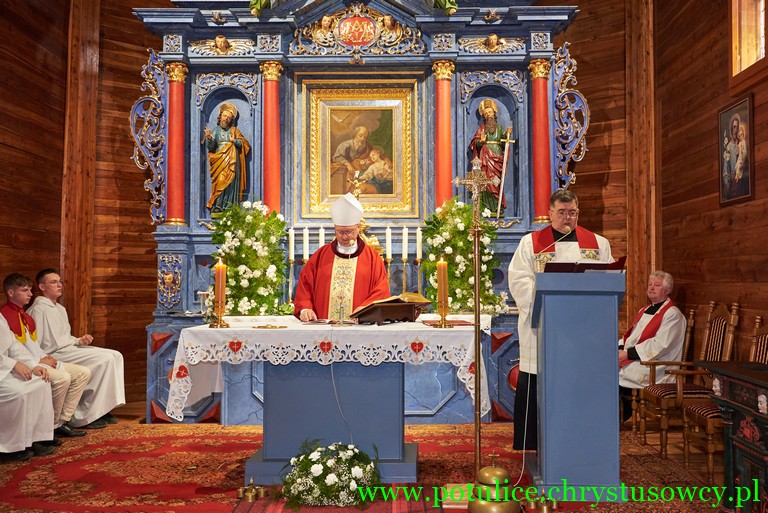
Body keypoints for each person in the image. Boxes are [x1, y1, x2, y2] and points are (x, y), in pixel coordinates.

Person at [507, 189, 613, 450]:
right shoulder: (531, 243)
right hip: (544, 329)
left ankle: (580, 443)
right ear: (551, 213)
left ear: (578, 213)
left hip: (583, 333)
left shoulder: (598, 244)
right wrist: (547, 300)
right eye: (562, 212)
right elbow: (519, 280)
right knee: (539, 380)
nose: (567, 218)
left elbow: (608, 280)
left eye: (572, 213)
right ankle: (534, 444)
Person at [28, 269, 126, 428]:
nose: (59, 285)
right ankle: (85, 414)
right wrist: (40, 358)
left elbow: (63, 337)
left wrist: (79, 340)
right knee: (106, 359)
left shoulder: (60, 308)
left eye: (60, 281)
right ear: (42, 286)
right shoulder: (38, 309)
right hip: (54, 354)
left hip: (69, 349)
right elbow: (35, 341)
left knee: (116, 355)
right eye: (53, 282)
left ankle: (101, 409)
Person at [1, 274, 91, 437]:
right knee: (62, 378)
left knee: (82, 373)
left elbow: (31, 345)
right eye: (25, 290)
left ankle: (62, 421)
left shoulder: (25, 316)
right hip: (22, 364)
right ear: (11, 293)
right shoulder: (6, 316)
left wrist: (44, 356)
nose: (30, 294)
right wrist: (37, 361)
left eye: (30, 290)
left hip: (36, 359)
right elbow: (15, 351)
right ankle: (50, 427)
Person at [294, 193, 390, 322]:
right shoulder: (321, 256)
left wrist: (365, 309)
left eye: (349, 232)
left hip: (360, 327)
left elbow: (381, 289)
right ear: (335, 228)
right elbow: (305, 286)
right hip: (325, 327)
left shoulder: (372, 258)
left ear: (358, 227)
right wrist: (305, 308)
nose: (345, 237)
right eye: (340, 232)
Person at [617, 271, 686, 422]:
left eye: (657, 285)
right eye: (650, 284)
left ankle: (624, 416)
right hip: (641, 359)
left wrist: (626, 354)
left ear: (667, 290)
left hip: (659, 366)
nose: (652, 288)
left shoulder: (672, 315)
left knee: (616, 374)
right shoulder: (645, 310)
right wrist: (619, 348)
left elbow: (660, 345)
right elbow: (631, 337)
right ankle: (621, 415)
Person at [0, 315, 56, 461]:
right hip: (4, 369)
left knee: (41, 382)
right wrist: (13, 364)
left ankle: (33, 438)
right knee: (19, 392)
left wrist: (33, 365)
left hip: (5, 370)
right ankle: (8, 447)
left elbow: (14, 345)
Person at [205, 102, 251, 214]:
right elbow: (210, 147)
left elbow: (245, 145)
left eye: (229, 118)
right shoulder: (216, 130)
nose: (226, 119)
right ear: (220, 116)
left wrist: (234, 141)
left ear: (231, 120)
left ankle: (230, 207)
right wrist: (209, 138)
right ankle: (218, 205)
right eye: (225, 116)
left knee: (231, 184)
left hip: (232, 161)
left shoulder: (234, 131)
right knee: (220, 181)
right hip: (219, 161)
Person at [469, 99, 513, 214]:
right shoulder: (482, 129)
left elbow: (505, 141)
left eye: (490, 112)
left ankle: (497, 207)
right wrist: (481, 141)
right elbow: (474, 143)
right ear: (484, 116)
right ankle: (487, 208)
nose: (488, 114)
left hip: (497, 156)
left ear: (494, 113)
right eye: (486, 113)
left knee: (496, 182)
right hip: (485, 157)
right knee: (486, 182)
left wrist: (507, 134)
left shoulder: (499, 128)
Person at [331, 126, 373, 194]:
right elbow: (337, 157)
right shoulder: (345, 145)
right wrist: (348, 164)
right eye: (360, 135)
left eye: (365, 137)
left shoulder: (366, 146)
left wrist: (386, 159)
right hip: (346, 170)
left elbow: (375, 153)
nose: (362, 139)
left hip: (360, 171)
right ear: (355, 134)